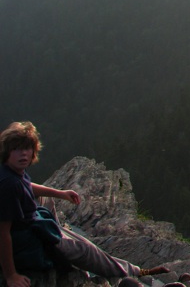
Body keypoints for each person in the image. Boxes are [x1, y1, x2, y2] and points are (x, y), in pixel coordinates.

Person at [0, 121, 169, 287]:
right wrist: (11, 275)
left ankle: (60, 240)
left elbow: (27, 186)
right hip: (26, 242)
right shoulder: (10, 185)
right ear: (6, 152)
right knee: (87, 250)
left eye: (26, 148)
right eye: (16, 149)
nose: (23, 154)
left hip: (27, 224)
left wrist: (60, 193)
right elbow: (3, 233)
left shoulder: (10, 172)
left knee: (47, 199)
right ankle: (134, 271)